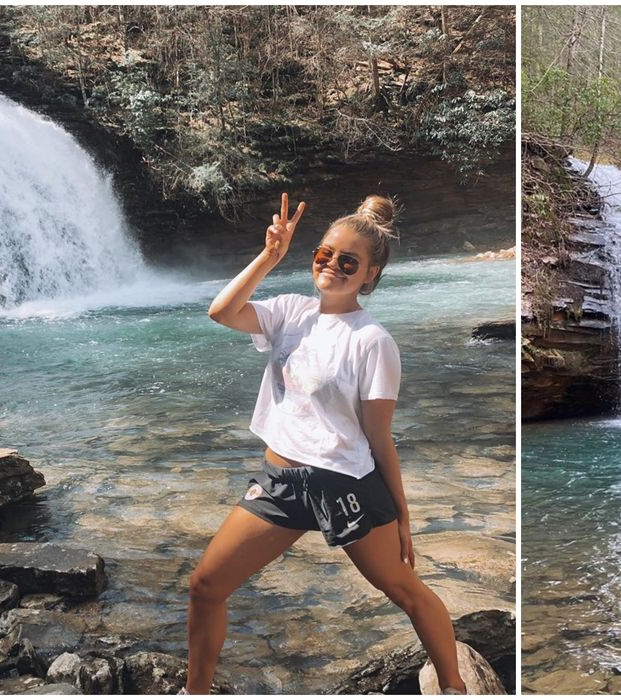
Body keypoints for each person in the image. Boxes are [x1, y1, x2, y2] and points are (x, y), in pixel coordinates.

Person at [182, 193, 467, 694]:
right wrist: (270, 256)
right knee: (206, 586)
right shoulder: (290, 311)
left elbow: (379, 435)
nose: (332, 265)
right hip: (281, 482)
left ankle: (454, 687)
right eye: (323, 254)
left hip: (344, 484)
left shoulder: (373, 340)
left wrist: (403, 516)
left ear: (370, 276)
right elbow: (221, 312)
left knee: (403, 590)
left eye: (348, 261)